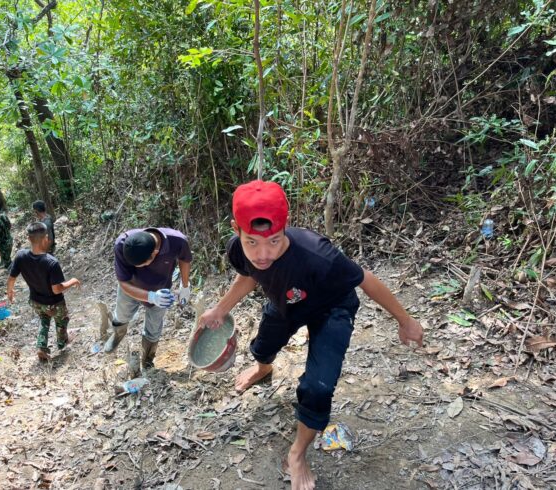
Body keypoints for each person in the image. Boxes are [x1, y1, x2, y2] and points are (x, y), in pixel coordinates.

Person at [198, 180, 424, 490]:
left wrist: (406, 321)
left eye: (274, 241)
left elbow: (366, 279)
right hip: (286, 302)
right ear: (236, 229)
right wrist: (220, 310)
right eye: (252, 242)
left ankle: (297, 454)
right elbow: (249, 276)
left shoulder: (317, 254)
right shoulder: (238, 249)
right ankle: (263, 369)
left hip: (332, 308)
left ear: (286, 225)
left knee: (318, 387)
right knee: (262, 347)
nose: (263, 254)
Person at [104, 227, 192, 370]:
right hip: (131, 287)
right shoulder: (122, 244)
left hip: (160, 288)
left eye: (142, 265)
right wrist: (150, 297)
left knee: (154, 326)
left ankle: (147, 358)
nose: (139, 268)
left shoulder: (177, 241)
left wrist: (185, 285)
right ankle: (118, 334)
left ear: (155, 253)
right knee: (121, 315)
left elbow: (185, 259)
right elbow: (123, 282)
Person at [7, 222, 80, 361]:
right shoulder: (51, 262)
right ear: (46, 238)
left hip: (36, 301)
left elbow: (11, 278)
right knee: (62, 320)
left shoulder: (21, 256)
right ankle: (62, 342)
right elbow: (56, 289)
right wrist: (72, 281)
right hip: (54, 303)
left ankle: (41, 346)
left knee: (44, 320)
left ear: (28, 238)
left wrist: (10, 292)